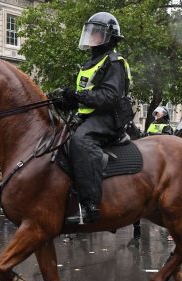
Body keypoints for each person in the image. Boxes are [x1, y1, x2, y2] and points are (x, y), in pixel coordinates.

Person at [61, 11, 131, 224]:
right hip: (89, 116)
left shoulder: (114, 62)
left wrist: (78, 95)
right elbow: (84, 98)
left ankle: (91, 203)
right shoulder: (89, 64)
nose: (91, 37)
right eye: (90, 33)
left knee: (81, 140)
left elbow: (109, 97)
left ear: (109, 37)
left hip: (109, 117)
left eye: (96, 33)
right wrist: (63, 98)